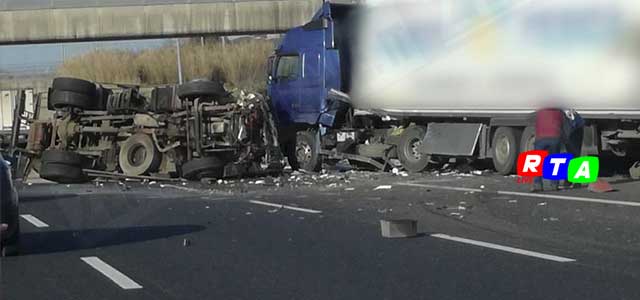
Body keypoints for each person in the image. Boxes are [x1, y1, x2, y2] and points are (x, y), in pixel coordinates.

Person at [531, 108, 567, 192]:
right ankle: (554, 184)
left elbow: (533, 121)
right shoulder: (559, 111)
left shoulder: (539, 110)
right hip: (555, 137)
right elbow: (563, 123)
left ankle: (537, 184)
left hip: (541, 137)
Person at [563, 109, 585, 188]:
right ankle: (572, 180)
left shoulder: (562, 112)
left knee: (571, 155)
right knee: (575, 155)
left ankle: (571, 181)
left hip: (571, 133)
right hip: (577, 130)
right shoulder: (572, 111)